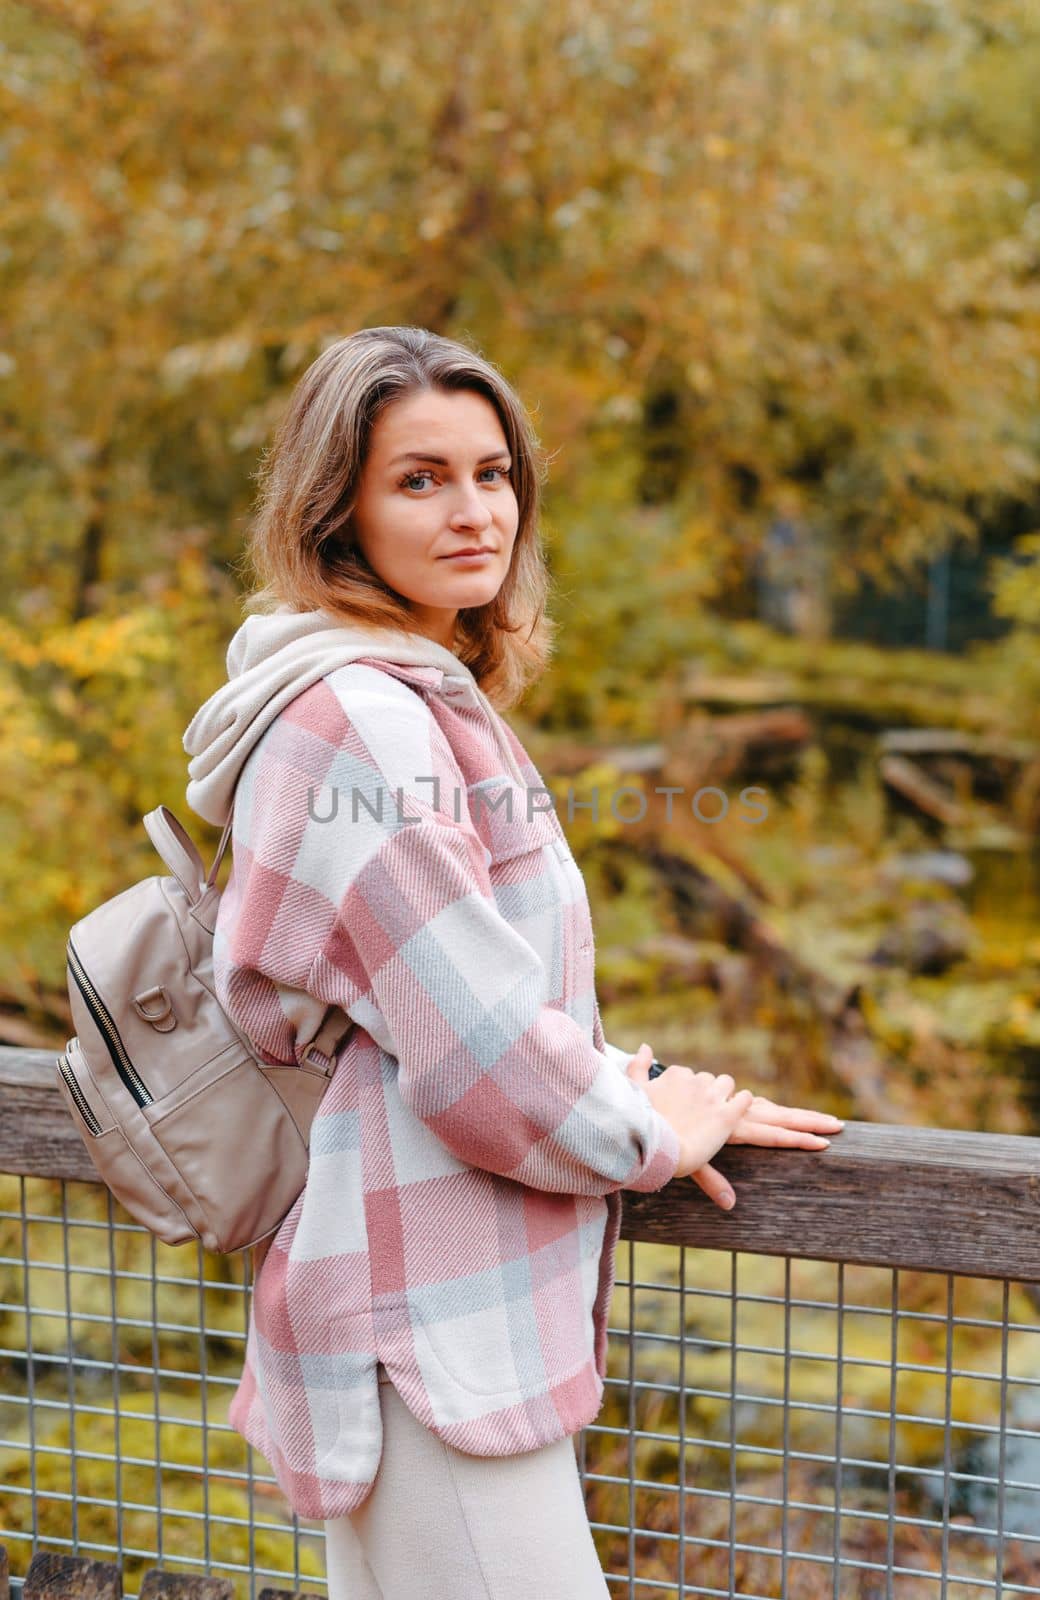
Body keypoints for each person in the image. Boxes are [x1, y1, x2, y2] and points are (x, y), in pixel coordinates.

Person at [181, 327, 843, 1599]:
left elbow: (451, 994)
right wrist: (646, 1127)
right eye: (419, 479)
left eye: (493, 473)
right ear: (339, 511)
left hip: (417, 1298)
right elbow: (478, 1053)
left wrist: (644, 1083)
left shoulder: (409, 695)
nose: (475, 510)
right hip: (423, 1319)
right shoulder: (367, 723)